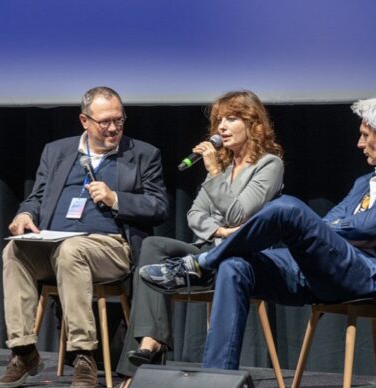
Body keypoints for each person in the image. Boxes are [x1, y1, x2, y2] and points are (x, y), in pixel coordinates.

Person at [140, 93, 376, 370]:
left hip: (370, 274)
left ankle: (201, 264)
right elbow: (338, 222)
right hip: (326, 269)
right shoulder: (365, 181)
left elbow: (374, 222)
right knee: (235, 266)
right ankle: (216, 377)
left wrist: (324, 228)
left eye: (365, 136)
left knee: (288, 208)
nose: (359, 144)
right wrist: (329, 229)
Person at [0, 87, 169, 388]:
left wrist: (116, 198)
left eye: (119, 119)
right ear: (84, 121)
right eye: (104, 122)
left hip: (111, 247)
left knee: (71, 250)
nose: (113, 128)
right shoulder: (57, 151)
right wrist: (25, 215)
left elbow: (159, 206)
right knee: (15, 252)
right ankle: (23, 350)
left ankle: (84, 355)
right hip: (52, 243)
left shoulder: (142, 154)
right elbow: (36, 198)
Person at [117, 90, 284, 380]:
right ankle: (151, 341)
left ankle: (136, 369)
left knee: (180, 260)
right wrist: (220, 229)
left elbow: (237, 214)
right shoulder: (223, 168)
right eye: (219, 120)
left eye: (231, 119)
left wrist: (216, 175)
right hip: (206, 252)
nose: (220, 127)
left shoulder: (269, 165)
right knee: (154, 245)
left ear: (253, 124)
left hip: (241, 258)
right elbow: (194, 215)